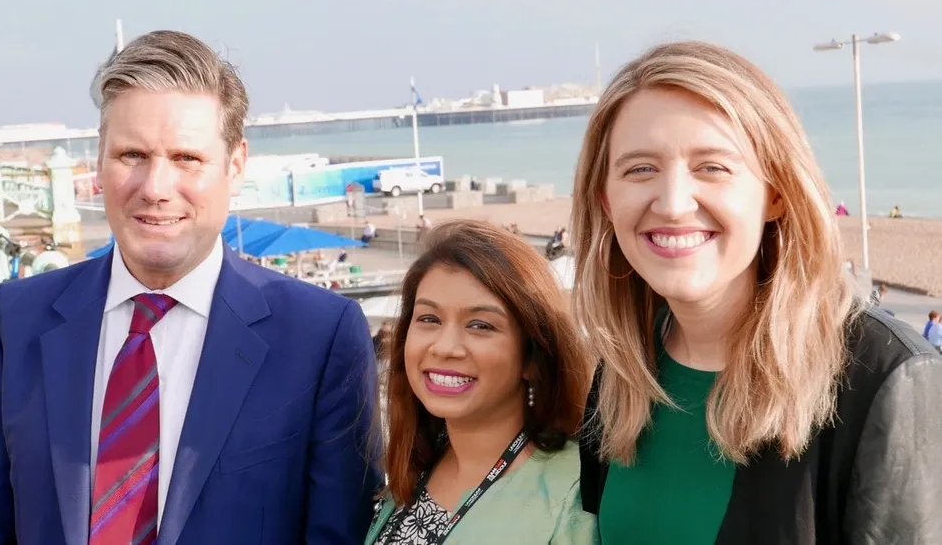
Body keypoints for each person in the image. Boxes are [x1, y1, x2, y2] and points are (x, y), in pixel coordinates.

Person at [0, 30, 382, 544]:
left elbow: (338, 534)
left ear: (235, 166)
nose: (154, 188)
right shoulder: (16, 318)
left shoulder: (320, 337)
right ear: (100, 160)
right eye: (132, 155)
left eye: (186, 158)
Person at [570, 40, 942, 544]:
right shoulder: (622, 371)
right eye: (640, 169)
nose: (674, 203)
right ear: (606, 200)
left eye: (712, 167)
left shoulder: (886, 378)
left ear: (777, 193)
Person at [366, 220, 596, 544]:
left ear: (532, 357)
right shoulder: (417, 463)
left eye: (480, 325)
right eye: (429, 319)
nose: (444, 347)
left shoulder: (574, 496)